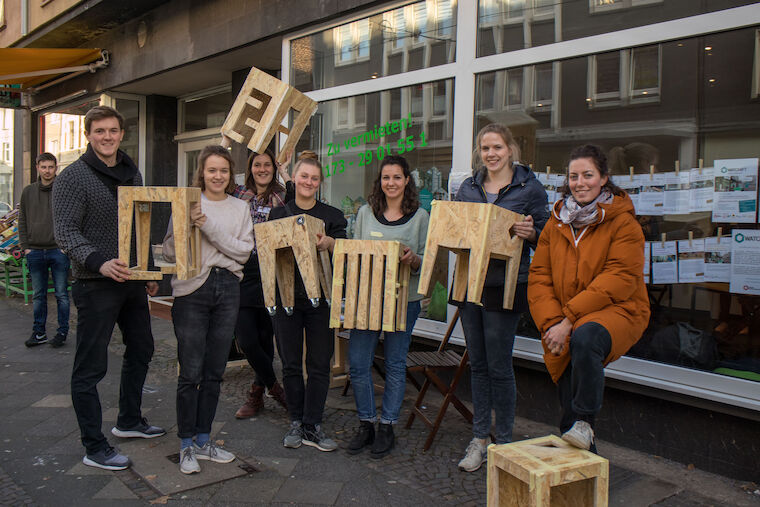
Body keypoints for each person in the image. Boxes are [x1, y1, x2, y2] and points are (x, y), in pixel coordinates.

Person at [53, 106, 165, 471]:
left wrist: (148, 268)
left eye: (113, 130)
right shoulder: (73, 177)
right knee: (90, 366)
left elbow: (141, 221)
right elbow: (66, 231)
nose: (107, 137)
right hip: (95, 282)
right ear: (88, 135)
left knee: (143, 347)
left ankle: (129, 420)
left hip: (131, 280)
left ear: (121, 134)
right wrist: (99, 260)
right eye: (99, 131)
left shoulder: (132, 173)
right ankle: (94, 445)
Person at [528, 144, 650, 451]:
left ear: (604, 178)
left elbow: (618, 280)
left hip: (617, 309)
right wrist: (554, 323)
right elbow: (540, 277)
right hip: (567, 316)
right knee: (565, 382)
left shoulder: (624, 223)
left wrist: (567, 320)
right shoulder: (556, 224)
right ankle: (579, 442)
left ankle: (585, 421)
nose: (580, 182)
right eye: (573, 176)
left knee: (584, 338)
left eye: (588, 175)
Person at [454, 123, 549, 472]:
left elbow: (546, 236)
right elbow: (459, 230)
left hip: (506, 285)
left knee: (499, 365)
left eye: (496, 147)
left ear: (510, 149)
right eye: (485, 148)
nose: (490, 154)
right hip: (470, 284)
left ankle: (505, 443)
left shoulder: (530, 188)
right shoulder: (469, 186)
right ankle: (480, 438)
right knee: (477, 364)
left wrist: (532, 232)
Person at [163, 144, 253, 474]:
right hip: (191, 290)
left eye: (224, 171)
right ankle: (186, 443)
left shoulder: (240, 208)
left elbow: (243, 254)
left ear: (231, 175)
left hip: (228, 289)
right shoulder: (187, 204)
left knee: (215, 371)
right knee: (190, 371)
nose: (218, 176)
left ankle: (204, 439)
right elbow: (172, 252)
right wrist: (188, 225)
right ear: (202, 172)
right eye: (212, 170)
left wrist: (208, 228)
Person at [345, 155, 429, 459]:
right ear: (379, 182)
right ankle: (366, 422)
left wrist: (412, 259)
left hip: (403, 302)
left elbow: (426, 263)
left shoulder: (420, 217)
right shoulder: (366, 214)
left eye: (396, 177)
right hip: (367, 299)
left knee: (394, 364)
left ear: (407, 180)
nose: (391, 183)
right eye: (385, 177)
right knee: (357, 362)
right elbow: (355, 253)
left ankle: (387, 426)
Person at [268, 151, 347, 452]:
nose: (309, 182)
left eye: (314, 178)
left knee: (319, 364)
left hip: (321, 301)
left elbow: (347, 251)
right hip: (286, 296)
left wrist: (330, 243)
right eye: (304, 176)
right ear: (295, 179)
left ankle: (313, 424)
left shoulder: (332, 216)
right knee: (289, 363)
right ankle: (296, 421)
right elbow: (267, 253)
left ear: (320, 182)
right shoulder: (279, 214)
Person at [231, 149, 292, 418]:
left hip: (271, 268)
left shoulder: (281, 195)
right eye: (258, 165)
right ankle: (275, 388)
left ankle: (256, 394)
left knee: (266, 336)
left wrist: (285, 171)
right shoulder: (239, 194)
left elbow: (298, 207)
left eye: (267, 165)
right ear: (250, 168)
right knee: (246, 338)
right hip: (243, 269)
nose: (262, 169)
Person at [19, 152, 70, 348]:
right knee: (39, 295)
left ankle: (62, 332)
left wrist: (66, 246)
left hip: (58, 250)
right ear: (37, 168)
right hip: (35, 251)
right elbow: (22, 220)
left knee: (61, 294)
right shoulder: (28, 191)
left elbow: (72, 218)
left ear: (56, 168)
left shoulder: (64, 189)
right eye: (44, 167)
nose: (47, 171)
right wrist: (26, 247)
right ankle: (39, 332)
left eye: (51, 167)